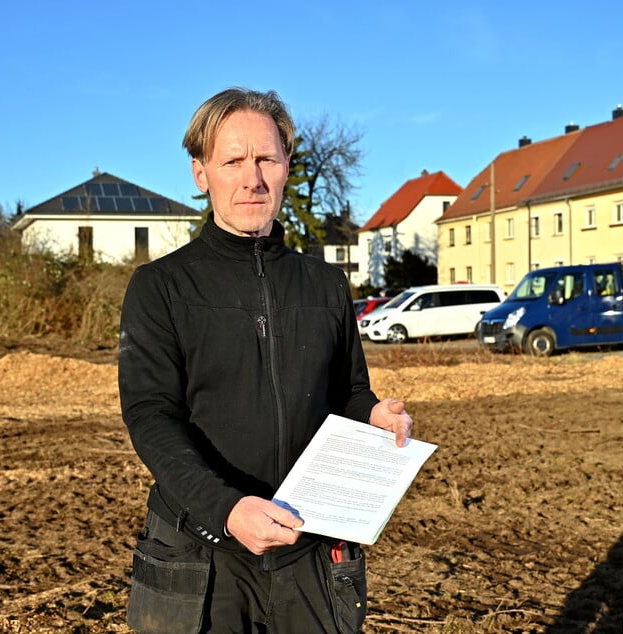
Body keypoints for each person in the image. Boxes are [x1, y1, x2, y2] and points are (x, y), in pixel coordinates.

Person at [117, 87, 413, 634]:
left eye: (266, 159)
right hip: (202, 554)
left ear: (286, 168)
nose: (251, 179)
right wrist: (226, 510)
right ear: (201, 174)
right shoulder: (160, 287)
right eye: (232, 160)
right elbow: (151, 416)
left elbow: (348, 392)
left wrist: (373, 416)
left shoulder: (325, 285)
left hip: (311, 554)